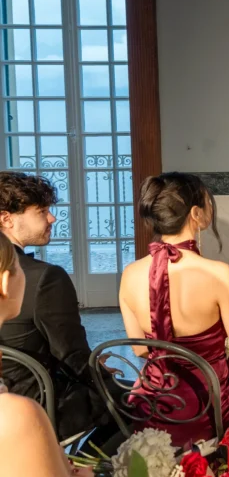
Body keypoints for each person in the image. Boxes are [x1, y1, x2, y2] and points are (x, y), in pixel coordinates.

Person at [118, 173, 229, 445]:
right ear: (195, 214)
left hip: (152, 406)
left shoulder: (130, 273)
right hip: (209, 408)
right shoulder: (219, 273)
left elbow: (139, 349)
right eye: (208, 201)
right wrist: (211, 373)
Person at [0, 171, 114, 441]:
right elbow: (71, 355)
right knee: (135, 402)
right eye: (41, 211)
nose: (52, 218)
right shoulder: (43, 277)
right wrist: (99, 372)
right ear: (7, 219)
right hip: (42, 404)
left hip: (8, 398)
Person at [0, 233, 90, 475]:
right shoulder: (18, 414)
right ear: (5, 282)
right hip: (47, 402)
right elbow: (72, 354)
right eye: (20, 265)